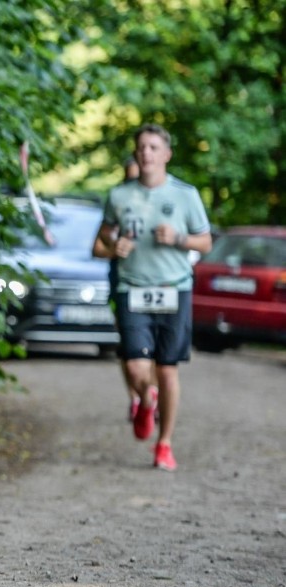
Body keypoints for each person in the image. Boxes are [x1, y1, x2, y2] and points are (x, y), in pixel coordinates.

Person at [97, 124, 211, 472]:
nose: (146, 152)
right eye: (141, 147)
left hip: (174, 288)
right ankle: (146, 400)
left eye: (153, 147)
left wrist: (178, 239)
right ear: (136, 153)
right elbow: (100, 244)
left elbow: (205, 242)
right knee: (134, 366)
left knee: (168, 370)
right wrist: (113, 247)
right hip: (133, 288)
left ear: (166, 154)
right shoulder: (119, 195)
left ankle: (164, 444)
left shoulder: (185, 195)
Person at [92, 157, 157, 421]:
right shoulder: (117, 206)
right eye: (130, 178)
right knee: (129, 345)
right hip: (122, 285)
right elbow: (96, 248)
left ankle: (150, 393)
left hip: (155, 285)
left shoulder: (160, 205)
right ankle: (135, 397)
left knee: (154, 347)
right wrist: (113, 250)